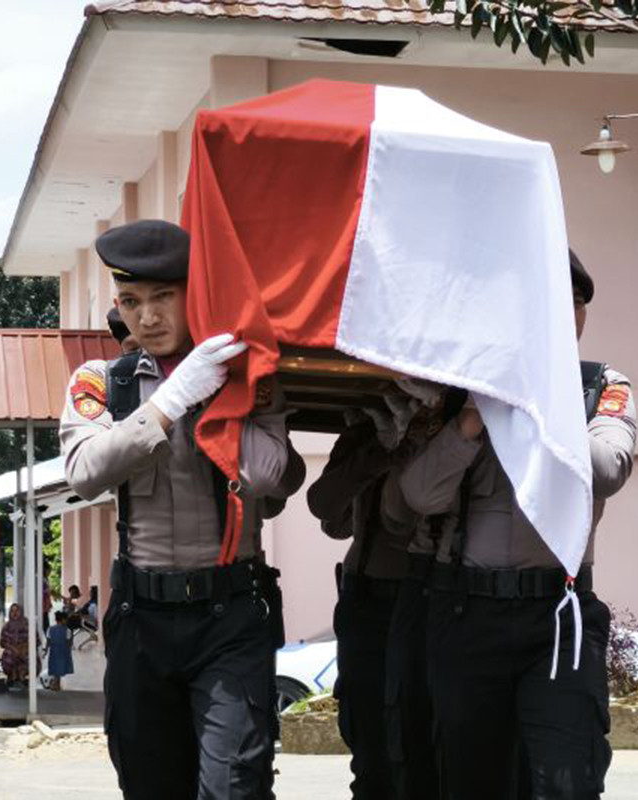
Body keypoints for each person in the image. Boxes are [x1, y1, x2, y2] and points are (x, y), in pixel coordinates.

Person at [60, 219, 304, 799]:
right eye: (132, 301)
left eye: (164, 298)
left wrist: (218, 395)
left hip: (230, 614)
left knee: (233, 786)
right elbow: (85, 472)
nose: (148, 317)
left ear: (197, 296)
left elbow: (272, 475)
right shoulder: (102, 382)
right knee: (150, 784)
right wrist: (169, 402)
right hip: (141, 618)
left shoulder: (248, 375)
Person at [386, 248, 637, 798]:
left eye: (575, 304)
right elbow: (417, 496)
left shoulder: (598, 386)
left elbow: (608, 469)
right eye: (549, 302)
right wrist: (473, 421)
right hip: (468, 613)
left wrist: (542, 403)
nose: (565, 316)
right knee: (472, 778)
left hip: (559, 617)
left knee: (569, 780)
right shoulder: (459, 392)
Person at [307, 394, 448, 800]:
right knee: (368, 742)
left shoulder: (453, 427)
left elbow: (398, 516)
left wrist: (411, 446)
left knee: (421, 740)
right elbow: (325, 507)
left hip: (424, 598)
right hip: (364, 600)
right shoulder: (367, 430)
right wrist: (379, 448)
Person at [0, 603, 30, 687]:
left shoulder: (28, 625)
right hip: (11, 650)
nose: (15, 613)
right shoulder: (6, 626)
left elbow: (35, 640)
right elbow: (2, 642)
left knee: (27, 655)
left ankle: (22, 676)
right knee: (9, 654)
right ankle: (12, 676)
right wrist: (12, 648)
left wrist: (24, 647)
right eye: (12, 611)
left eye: (17, 611)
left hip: (25, 649)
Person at [46, 611, 73, 691]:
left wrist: (45, 650)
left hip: (53, 652)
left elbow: (48, 641)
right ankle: (56, 684)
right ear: (63, 620)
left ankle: (56, 684)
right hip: (63, 652)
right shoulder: (67, 630)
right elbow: (69, 643)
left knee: (55, 668)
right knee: (60, 668)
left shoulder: (50, 629)